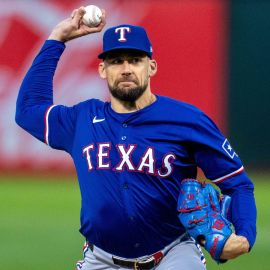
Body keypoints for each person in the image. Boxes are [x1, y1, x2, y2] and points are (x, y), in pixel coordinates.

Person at [15, 6, 256, 270]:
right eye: (117, 61)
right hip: (102, 259)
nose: (126, 68)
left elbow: (238, 184)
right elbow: (28, 111)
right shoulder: (81, 120)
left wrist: (244, 236)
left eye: (135, 59)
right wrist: (57, 38)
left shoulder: (187, 120)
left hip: (173, 254)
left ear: (151, 66)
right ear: (102, 70)